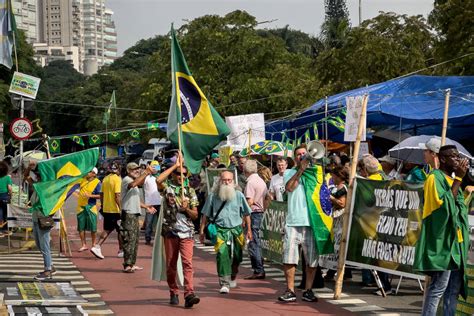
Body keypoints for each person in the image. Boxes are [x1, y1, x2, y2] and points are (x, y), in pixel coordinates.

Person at [414, 145, 469, 315]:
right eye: (453, 156)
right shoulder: (434, 178)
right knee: (438, 288)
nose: (458, 160)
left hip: (457, 242)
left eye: (458, 156)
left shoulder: (452, 179)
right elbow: (443, 209)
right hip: (443, 243)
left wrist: (460, 180)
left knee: (453, 290)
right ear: (442, 159)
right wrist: (459, 178)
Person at [156, 158, 200, 308]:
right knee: (171, 265)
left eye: (184, 174)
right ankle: (173, 291)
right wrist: (175, 165)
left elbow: (195, 215)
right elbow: (158, 180)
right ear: (173, 175)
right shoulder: (168, 188)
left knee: (188, 263)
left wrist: (186, 209)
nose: (181, 176)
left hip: (187, 232)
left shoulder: (190, 191)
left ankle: (189, 293)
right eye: (178, 173)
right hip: (171, 231)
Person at [199, 171, 253, 294]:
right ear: (220, 181)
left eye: (229, 180)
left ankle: (233, 274)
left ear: (233, 181)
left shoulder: (239, 195)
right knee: (222, 255)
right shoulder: (213, 196)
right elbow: (205, 214)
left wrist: (249, 230)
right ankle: (224, 282)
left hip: (237, 230)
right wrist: (202, 231)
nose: (227, 182)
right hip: (220, 230)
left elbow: (247, 213)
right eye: (224, 180)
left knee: (238, 256)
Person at [278, 144, 318, 303]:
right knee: (289, 258)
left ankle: (308, 290)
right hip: (294, 222)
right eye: (299, 154)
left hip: (312, 222)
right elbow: (289, 188)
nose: (302, 156)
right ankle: (290, 290)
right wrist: (301, 170)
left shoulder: (316, 174)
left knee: (312, 259)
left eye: (304, 153)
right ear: (295, 158)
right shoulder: (289, 172)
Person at [120, 162, 157, 273]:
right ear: (128, 171)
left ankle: (132, 263)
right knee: (129, 239)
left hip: (135, 213)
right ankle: (127, 264)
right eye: (133, 169)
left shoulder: (134, 182)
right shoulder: (127, 180)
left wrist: (146, 206)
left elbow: (135, 200)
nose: (136, 171)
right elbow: (133, 184)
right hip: (128, 213)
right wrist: (146, 172)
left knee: (135, 240)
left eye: (137, 169)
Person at [24, 161, 55, 280]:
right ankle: (50, 265)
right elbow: (26, 176)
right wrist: (28, 167)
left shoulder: (48, 187)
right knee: (39, 244)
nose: (36, 176)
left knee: (44, 244)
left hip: (43, 218)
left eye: (38, 174)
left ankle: (48, 269)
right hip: (36, 218)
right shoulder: (37, 185)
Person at [324, 165, 351, 281]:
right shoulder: (336, 187)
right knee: (337, 247)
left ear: (339, 176)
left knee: (338, 247)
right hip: (335, 219)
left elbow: (342, 203)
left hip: (341, 219)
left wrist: (331, 198)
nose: (332, 177)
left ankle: (333, 272)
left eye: (334, 175)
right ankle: (343, 272)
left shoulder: (343, 188)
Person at [91, 162, 123, 259]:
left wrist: (103, 205)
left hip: (107, 209)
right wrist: (121, 209)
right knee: (120, 230)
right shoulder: (117, 179)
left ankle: (97, 246)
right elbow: (117, 195)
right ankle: (120, 250)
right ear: (118, 169)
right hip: (115, 210)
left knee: (107, 229)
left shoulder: (105, 179)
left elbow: (101, 194)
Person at [243, 159, 267, 280]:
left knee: (253, 241)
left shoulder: (251, 182)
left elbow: (249, 201)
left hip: (253, 213)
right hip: (260, 212)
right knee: (255, 240)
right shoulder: (261, 180)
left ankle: (258, 269)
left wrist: (243, 217)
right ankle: (259, 267)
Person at [76, 167, 101, 252]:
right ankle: (83, 245)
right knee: (81, 227)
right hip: (81, 207)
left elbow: (101, 195)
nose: (88, 173)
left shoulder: (97, 183)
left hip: (91, 207)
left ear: (94, 174)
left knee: (93, 228)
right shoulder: (82, 179)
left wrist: (90, 196)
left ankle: (93, 244)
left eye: (90, 172)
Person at [143, 160, 162, 245]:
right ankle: (148, 238)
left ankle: (160, 239)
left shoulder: (161, 177)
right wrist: (146, 171)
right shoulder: (146, 177)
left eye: (156, 167)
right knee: (149, 222)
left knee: (161, 222)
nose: (155, 169)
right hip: (150, 204)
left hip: (160, 203)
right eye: (153, 167)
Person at [0, 161, 12, 236]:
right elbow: (10, 188)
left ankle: (0, 231)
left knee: (0, 212)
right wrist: (10, 195)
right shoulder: (7, 177)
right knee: (6, 213)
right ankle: (6, 230)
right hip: (5, 196)